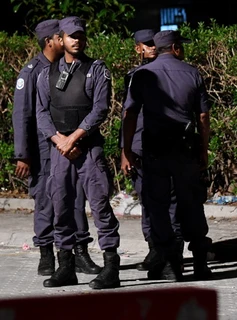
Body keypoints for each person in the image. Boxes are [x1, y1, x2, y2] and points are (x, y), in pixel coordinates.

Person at [35, 16, 121, 289]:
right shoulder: (45, 74)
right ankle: (66, 267)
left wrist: (74, 138)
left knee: (99, 206)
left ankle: (111, 268)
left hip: (88, 149)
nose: (77, 40)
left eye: (81, 35)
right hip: (60, 151)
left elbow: (100, 109)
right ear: (60, 39)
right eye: (72, 36)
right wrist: (60, 140)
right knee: (60, 206)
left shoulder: (97, 69)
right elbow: (40, 113)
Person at [12, 18, 100, 277]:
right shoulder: (31, 72)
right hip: (42, 150)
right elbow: (23, 115)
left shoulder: (69, 68)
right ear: (50, 41)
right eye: (60, 37)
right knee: (46, 201)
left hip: (69, 146)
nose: (66, 40)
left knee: (75, 199)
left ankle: (79, 253)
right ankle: (47, 255)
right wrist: (23, 154)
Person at [122, 30, 212, 281]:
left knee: (158, 207)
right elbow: (203, 117)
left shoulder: (140, 75)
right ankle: (201, 264)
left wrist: (126, 150)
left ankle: (172, 264)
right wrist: (203, 150)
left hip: (153, 150)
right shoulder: (192, 72)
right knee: (191, 204)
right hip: (184, 150)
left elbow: (129, 115)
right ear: (174, 48)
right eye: (181, 46)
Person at [120, 29, 185, 272]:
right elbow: (127, 116)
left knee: (171, 202)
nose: (151, 48)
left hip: (163, 144)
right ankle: (155, 249)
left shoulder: (169, 72)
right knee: (147, 200)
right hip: (139, 144)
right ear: (138, 48)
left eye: (154, 44)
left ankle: (173, 251)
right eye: (146, 45)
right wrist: (124, 150)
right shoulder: (135, 76)